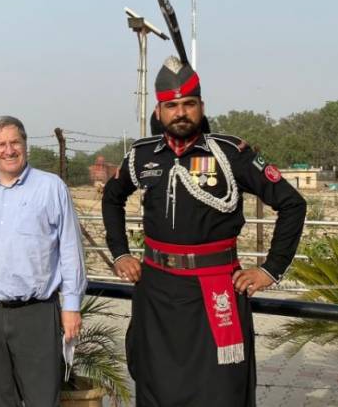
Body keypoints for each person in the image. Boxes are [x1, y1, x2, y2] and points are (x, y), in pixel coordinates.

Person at [102, 56, 307, 407]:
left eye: (189, 104)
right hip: (157, 291)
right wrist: (120, 252)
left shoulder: (231, 153)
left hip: (216, 289)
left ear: (201, 106)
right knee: (156, 386)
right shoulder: (141, 155)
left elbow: (292, 204)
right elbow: (111, 198)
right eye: (172, 106)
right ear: (160, 110)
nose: (180, 113)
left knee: (221, 391)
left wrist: (270, 269)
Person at [0, 115, 87, 406]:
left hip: (36, 315)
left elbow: (70, 249)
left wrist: (72, 307)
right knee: (1, 399)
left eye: (15, 142)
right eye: (0, 144)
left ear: (25, 145)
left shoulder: (50, 188)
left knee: (42, 399)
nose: (9, 150)